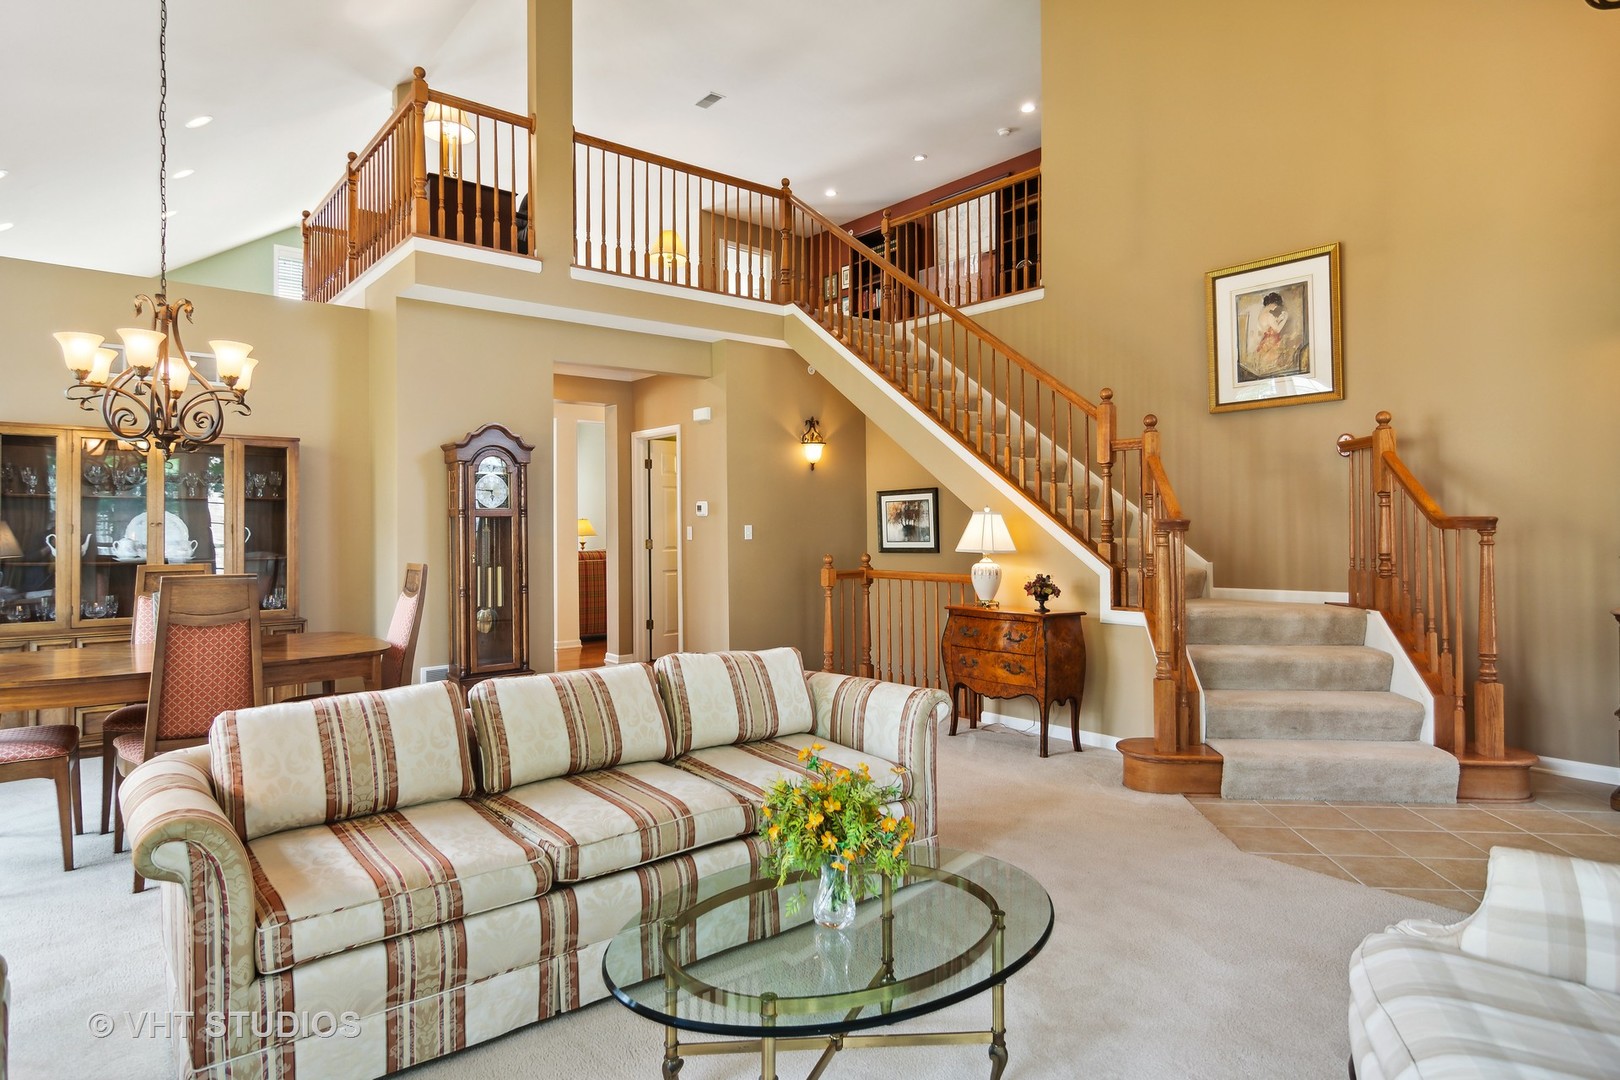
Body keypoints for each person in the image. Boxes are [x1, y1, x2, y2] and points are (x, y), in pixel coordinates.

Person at [1239, 290, 1308, 380]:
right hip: (1271, 341)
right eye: (1276, 306)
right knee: (1277, 362)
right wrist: (1285, 318)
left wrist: (1279, 319)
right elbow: (1277, 329)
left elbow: (1269, 325)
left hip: (1265, 339)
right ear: (1274, 304)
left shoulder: (1262, 313)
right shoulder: (1269, 315)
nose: (1277, 308)